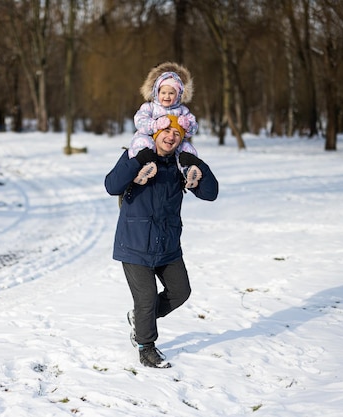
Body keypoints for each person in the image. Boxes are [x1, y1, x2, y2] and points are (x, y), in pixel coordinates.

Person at [105, 115, 219, 368]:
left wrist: (197, 164)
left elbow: (210, 194)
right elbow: (112, 186)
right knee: (145, 297)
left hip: (167, 244)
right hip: (135, 243)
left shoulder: (181, 165)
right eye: (166, 130)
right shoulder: (137, 154)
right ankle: (146, 347)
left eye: (177, 133)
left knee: (180, 292)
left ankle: (139, 318)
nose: (171, 137)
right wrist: (137, 162)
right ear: (155, 133)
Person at [129, 62, 201, 189]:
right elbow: (140, 120)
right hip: (150, 137)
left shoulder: (182, 110)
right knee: (143, 143)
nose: (167, 96)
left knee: (186, 147)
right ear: (157, 93)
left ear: (178, 95)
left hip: (173, 143)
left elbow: (194, 126)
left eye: (171, 93)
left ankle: (189, 171)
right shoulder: (150, 107)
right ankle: (143, 168)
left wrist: (187, 125)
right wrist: (154, 124)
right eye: (163, 92)